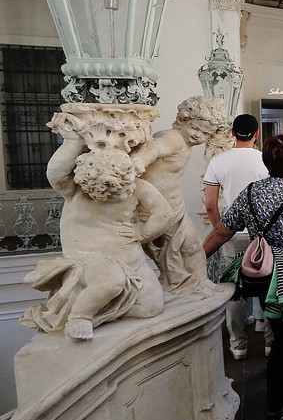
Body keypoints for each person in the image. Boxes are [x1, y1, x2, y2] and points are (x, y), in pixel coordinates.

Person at [203, 134, 283, 420]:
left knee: (282, 346)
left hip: (269, 283)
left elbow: (222, 232)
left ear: (266, 162)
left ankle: (271, 414)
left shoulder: (251, 193)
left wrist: (194, 260)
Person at [20, 121, 173, 340]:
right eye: (103, 190)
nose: (111, 195)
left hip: (131, 260)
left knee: (151, 306)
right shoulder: (74, 189)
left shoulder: (135, 186)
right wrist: (73, 142)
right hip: (90, 259)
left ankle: (105, 309)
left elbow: (164, 214)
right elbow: (55, 173)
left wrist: (142, 233)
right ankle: (80, 316)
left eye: (117, 191)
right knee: (110, 281)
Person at [131, 96, 227, 293]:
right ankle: (182, 282)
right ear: (183, 119)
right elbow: (154, 148)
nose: (198, 135)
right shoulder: (173, 139)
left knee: (191, 245)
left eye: (205, 133)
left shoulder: (185, 144)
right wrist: (139, 160)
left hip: (174, 207)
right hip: (153, 210)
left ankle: (198, 281)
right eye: (195, 128)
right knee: (163, 249)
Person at [203, 114, 270, 361]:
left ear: (232, 133)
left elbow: (210, 204)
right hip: (263, 234)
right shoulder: (265, 160)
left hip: (233, 233)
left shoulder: (218, 161)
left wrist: (222, 228)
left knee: (235, 285)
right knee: (266, 280)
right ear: (256, 134)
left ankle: (238, 343)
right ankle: (268, 339)